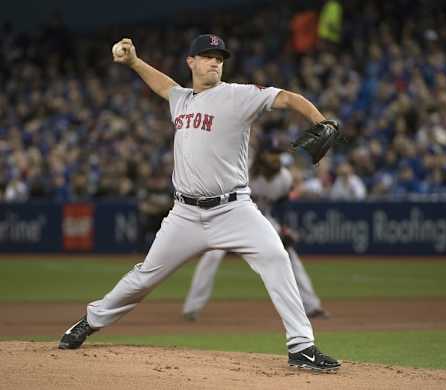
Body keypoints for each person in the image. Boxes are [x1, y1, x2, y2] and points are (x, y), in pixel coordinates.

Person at [58, 34, 340, 372]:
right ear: (191, 62)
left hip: (234, 209)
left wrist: (320, 121)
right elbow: (164, 86)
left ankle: (301, 347)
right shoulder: (180, 99)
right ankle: (89, 321)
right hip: (185, 215)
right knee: (144, 277)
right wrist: (134, 62)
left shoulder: (238, 95)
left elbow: (287, 98)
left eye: (219, 57)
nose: (215, 62)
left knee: (277, 257)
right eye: (207, 56)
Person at [183, 145, 330, 321]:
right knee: (212, 255)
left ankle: (312, 306)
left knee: (287, 254)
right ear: (262, 155)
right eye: (272, 154)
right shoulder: (244, 170)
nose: (276, 158)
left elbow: (282, 205)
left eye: (278, 154)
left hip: (261, 220)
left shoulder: (284, 177)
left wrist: (283, 228)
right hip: (231, 217)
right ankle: (192, 307)